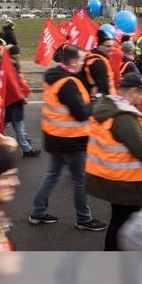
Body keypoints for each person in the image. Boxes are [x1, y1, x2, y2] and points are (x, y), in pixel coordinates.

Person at [84, 73, 142, 250]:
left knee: (120, 219)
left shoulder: (111, 108)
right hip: (127, 182)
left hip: (115, 178)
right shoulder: (124, 117)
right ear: (131, 91)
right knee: (124, 223)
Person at [30, 44, 106, 232]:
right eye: (81, 60)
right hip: (72, 139)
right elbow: (80, 113)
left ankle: (37, 212)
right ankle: (84, 218)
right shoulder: (69, 83)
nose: (83, 63)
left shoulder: (54, 76)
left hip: (55, 137)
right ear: (73, 62)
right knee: (80, 180)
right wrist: (95, 101)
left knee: (51, 175)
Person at [4, 45, 40, 157]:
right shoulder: (12, 67)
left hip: (9, 101)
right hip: (14, 101)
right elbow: (15, 85)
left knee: (14, 124)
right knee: (17, 124)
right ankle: (26, 148)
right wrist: (22, 96)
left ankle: (25, 145)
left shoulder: (7, 65)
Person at [80, 30, 117, 96]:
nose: (111, 49)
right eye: (108, 46)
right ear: (99, 46)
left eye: (112, 46)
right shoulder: (98, 63)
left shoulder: (92, 56)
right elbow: (104, 88)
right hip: (103, 101)